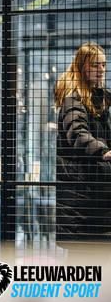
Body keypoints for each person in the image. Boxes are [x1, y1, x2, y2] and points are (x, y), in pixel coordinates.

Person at [54, 42, 111, 244]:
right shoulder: (73, 100)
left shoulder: (98, 100)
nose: (101, 70)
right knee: (83, 256)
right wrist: (104, 152)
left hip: (94, 196)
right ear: (82, 66)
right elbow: (77, 134)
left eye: (103, 65)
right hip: (81, 199)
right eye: (95, 65)